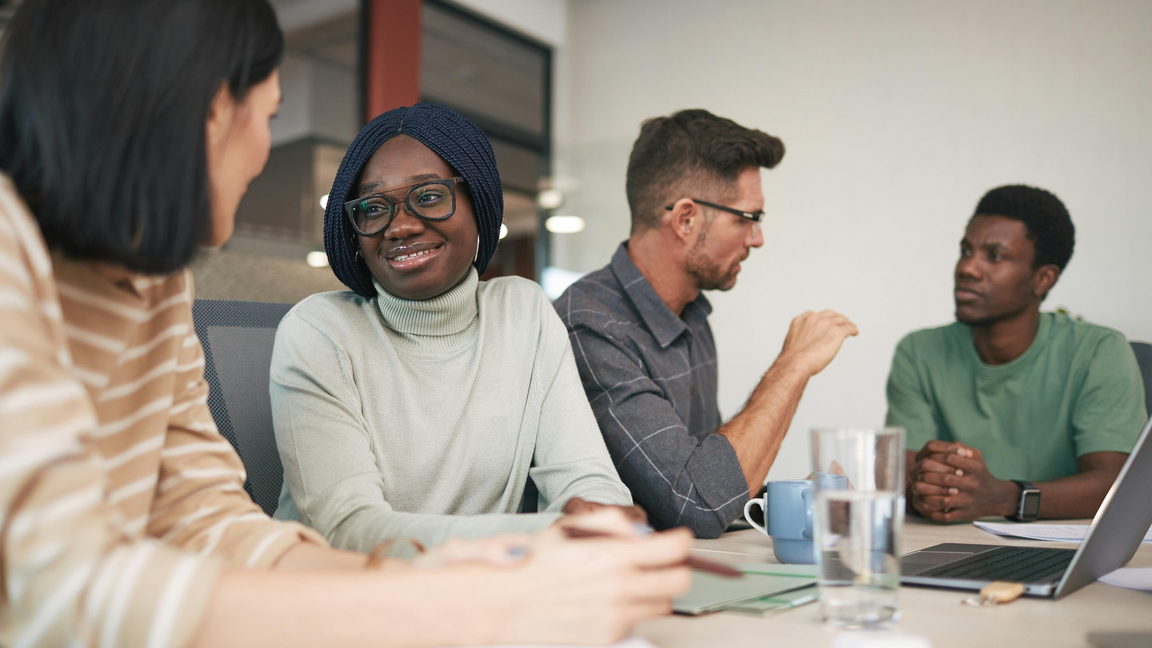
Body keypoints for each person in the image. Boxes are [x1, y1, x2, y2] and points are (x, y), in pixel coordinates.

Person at [0, 1, 691, 646]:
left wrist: (457, 576)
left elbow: (204, 521)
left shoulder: (155, 283)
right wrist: (472, 600)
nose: (267, 151)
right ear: (216, 112)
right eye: (270, 116)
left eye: (430, 197)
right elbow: (56, 591)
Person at [270, 103, 641, 551]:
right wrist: (549, 533)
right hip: (347, 600)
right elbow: (349, 529)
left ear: (477, 205)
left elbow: (585, 477)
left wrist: (606, 528)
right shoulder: (319, 333)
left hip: (489, 594)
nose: (400, 226)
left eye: (428, 196)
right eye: (373, 208)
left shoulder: (523, 313)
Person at [555, 109, 858, 538]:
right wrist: (793, 366)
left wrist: (789, 501)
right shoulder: (590, 328)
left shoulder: (692, 315)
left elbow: (705, 479)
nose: (757, 238)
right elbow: (695, 504)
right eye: (746, 218)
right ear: (685, 219)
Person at [887, 185, 1147, 523]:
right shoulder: (919, 352)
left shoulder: (1099, 351)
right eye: (966, 250)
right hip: (951, 544)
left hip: (1062, 552)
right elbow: (904, 479)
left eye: (994, 256)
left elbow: (1116, 487)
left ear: (1043, 279)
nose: (968, 268)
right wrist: (924, 487)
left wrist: (1006, 497)